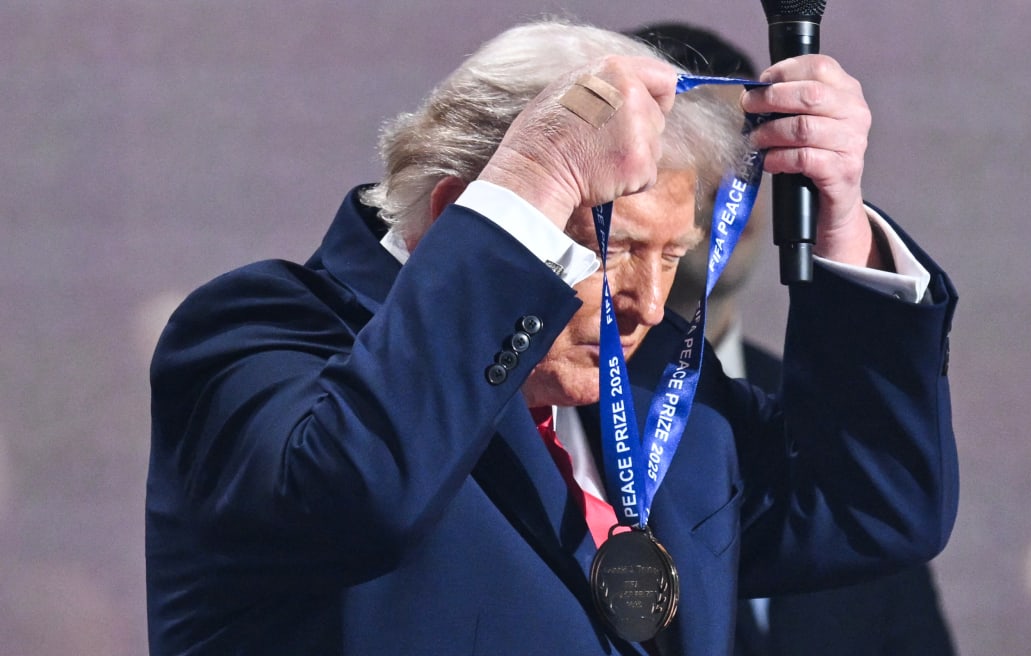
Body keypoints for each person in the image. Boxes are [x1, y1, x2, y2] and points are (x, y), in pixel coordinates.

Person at [146, 19, 959, 656]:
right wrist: (536, 174)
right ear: (457, 216)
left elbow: (870, 505)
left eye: (671, 256)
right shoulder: (263, 331)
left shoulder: (652, 388)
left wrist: (843, 220)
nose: (647, 301)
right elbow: (357, 494)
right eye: (616, 250)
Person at [625, 22, 957, 655]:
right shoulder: (553, 407)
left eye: (746, 154)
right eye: (693, 154)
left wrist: (845, 216)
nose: (731, 187)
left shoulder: (840, 430)